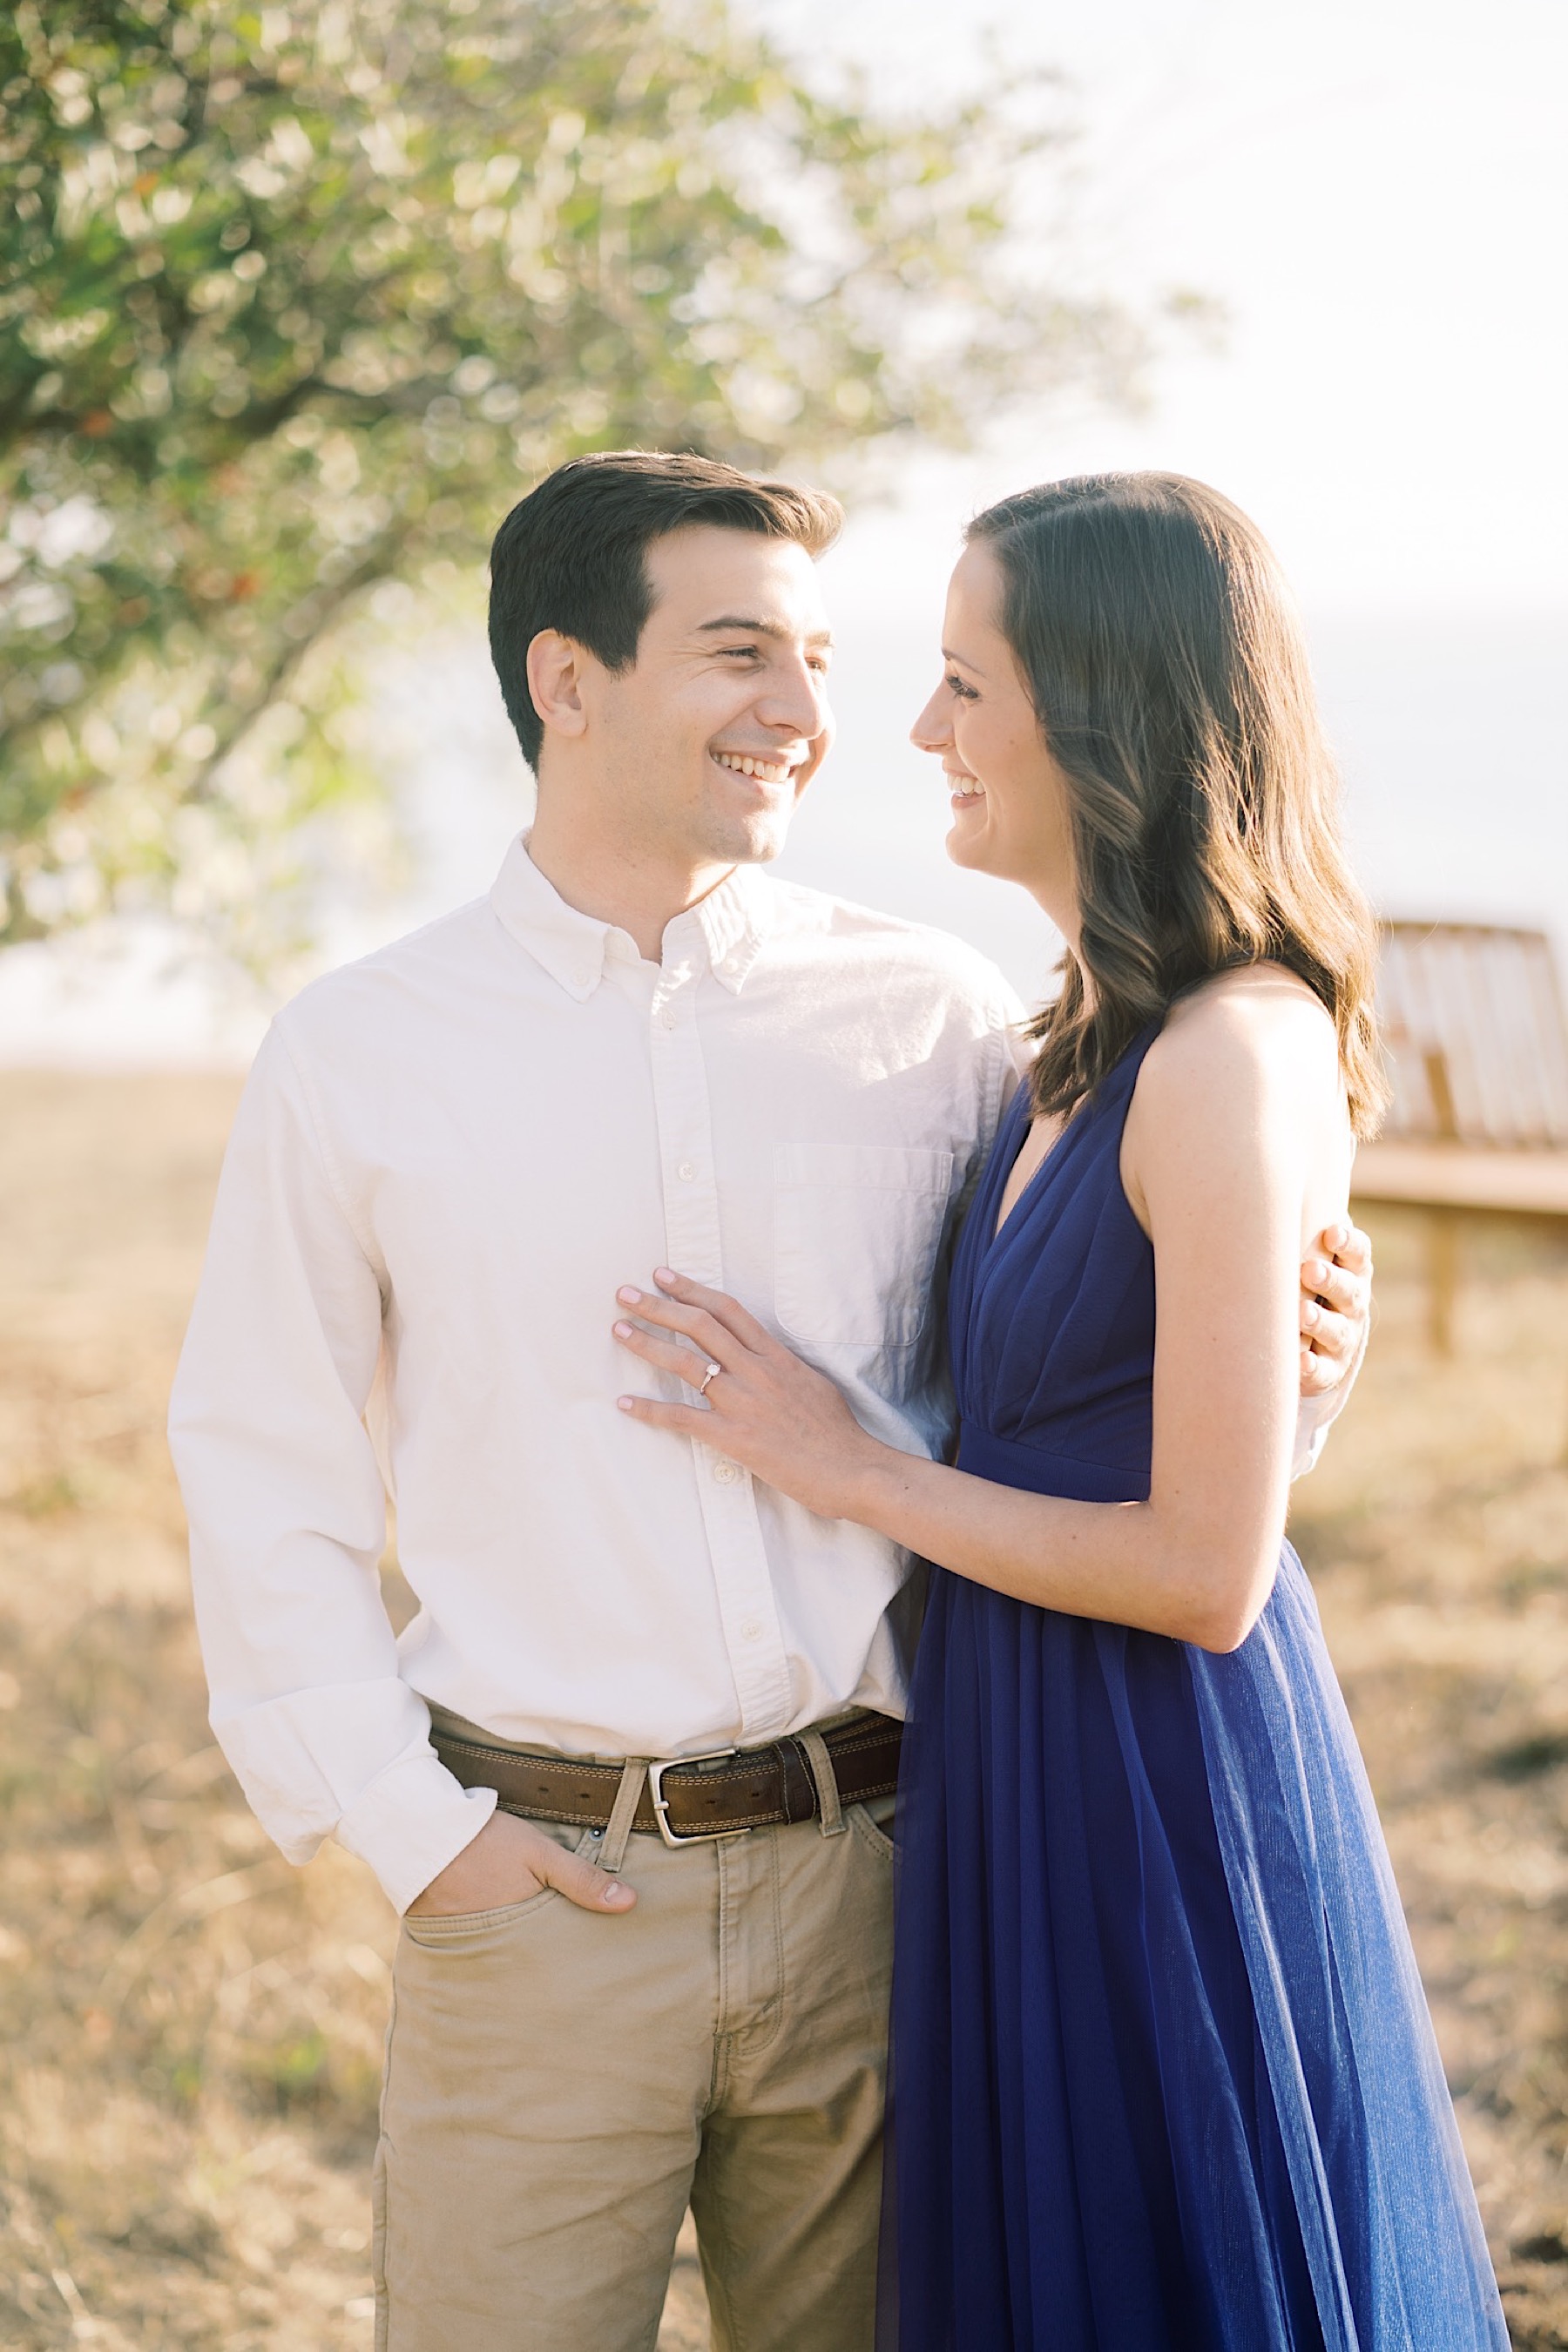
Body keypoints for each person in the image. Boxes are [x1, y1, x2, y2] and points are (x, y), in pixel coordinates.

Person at [169, 453, 1372, 2352]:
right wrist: (420, 1839)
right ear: (569, 682)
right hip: (539, 1899)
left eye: (822, 656)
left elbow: (1074, 1407)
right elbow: (262, 1474)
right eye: (745, 654)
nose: (813, 718)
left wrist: (1304, 1373)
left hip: (896, 1897)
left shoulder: (945, 1024)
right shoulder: (357, 1055)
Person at [611, 473, 1505, 2350]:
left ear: (1099, 709)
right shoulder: (1072, 1043)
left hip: (1151, 1779)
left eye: (962, 684)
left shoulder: (1226, 1053)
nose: (921, 731)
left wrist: (849, 1468)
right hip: (1018, 1749)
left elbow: (1203, 1571)